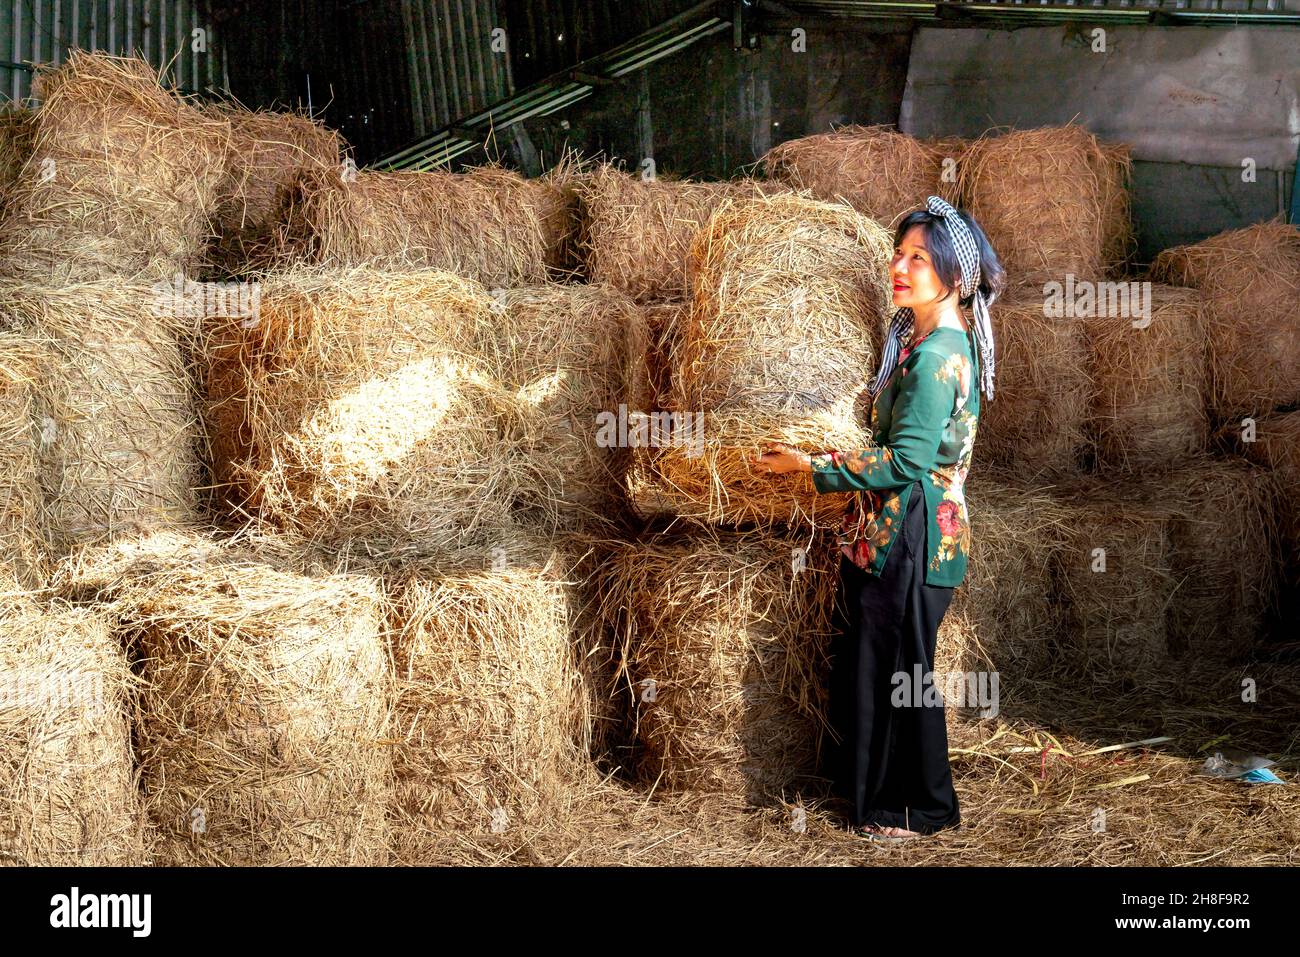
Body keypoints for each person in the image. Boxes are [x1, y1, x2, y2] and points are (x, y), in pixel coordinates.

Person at [750, 195, 1006, 842]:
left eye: (919, 258)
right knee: (885, 665)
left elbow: (905, 461)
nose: (901, 266)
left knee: (903, 673)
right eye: (899, 253)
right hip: (901, 532)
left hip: (914, 533)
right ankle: (878, 798)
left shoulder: (934, 359)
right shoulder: (927, 344)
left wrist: (810, 467)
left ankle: (919, 809)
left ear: (954, 276)